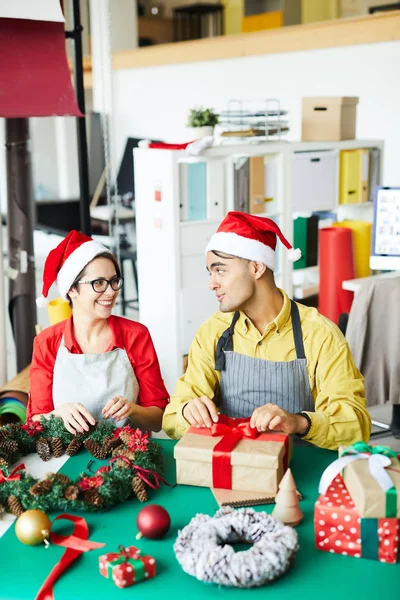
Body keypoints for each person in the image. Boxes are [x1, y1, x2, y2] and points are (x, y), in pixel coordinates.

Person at [162, 211, 371, 450]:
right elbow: (172, 416)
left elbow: (355, 425)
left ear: (257, 268)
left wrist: (299, 422)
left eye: (220, 270)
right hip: (232, 466)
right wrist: (188, 410)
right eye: (210, 272)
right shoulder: (213, 332)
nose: (212, 283)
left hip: (301, 470)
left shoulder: (320, 335)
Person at [28, 230, 169, 434]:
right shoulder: (47, 342)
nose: (111, 291)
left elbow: (158, 420)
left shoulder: (136, 335)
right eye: (99, 283)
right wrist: (58, 413)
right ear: (72, 290)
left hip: (129, 456)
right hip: (66, 457)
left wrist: (133, 409)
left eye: (114, 281)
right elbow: (34, 423)